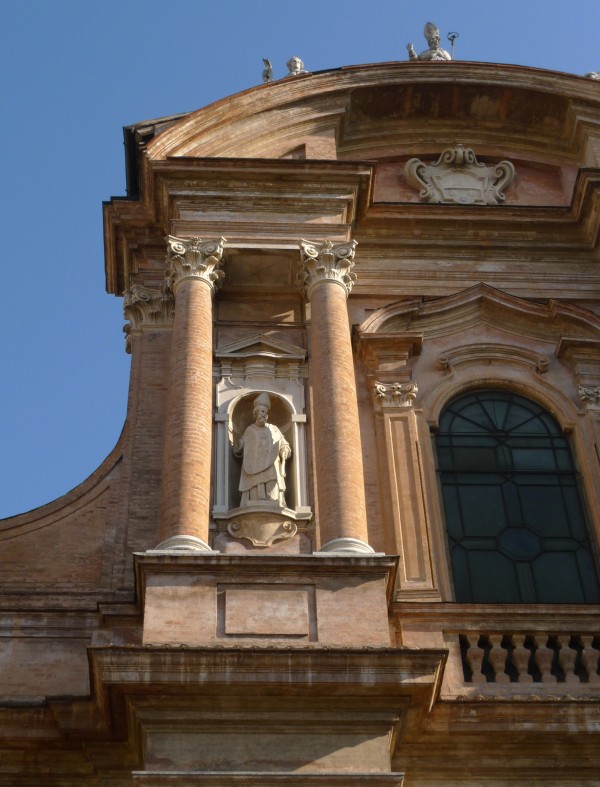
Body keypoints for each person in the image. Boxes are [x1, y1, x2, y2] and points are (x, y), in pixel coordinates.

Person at [234, 393, 291, 508]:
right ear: (255, 414)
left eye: (264, 412)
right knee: (256, 487)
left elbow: (284, 445)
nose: (263, 414)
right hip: (253, 467)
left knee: (272, 485)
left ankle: (274, 501)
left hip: (272, 465)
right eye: (260, 412)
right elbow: (241, 449)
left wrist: (285, 450)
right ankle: (255, 500)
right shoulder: (249, 430)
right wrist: (240, 445)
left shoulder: (274, 429)